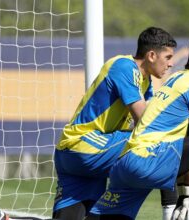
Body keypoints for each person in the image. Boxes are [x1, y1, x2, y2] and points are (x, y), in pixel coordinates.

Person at [87, 32, 189, 220]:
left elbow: (180, 148)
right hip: (147, 161)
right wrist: (187, 197)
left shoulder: (177, 78)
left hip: (124, 163)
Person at [52, 27, 177, 220]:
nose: (171, 64)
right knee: (159, 149)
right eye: (168, 57)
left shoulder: (145, 81)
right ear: (152, 55)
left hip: (73, 154)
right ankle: (172, 211)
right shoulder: (125, 67)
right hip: (85, 145)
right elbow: (146, 124)